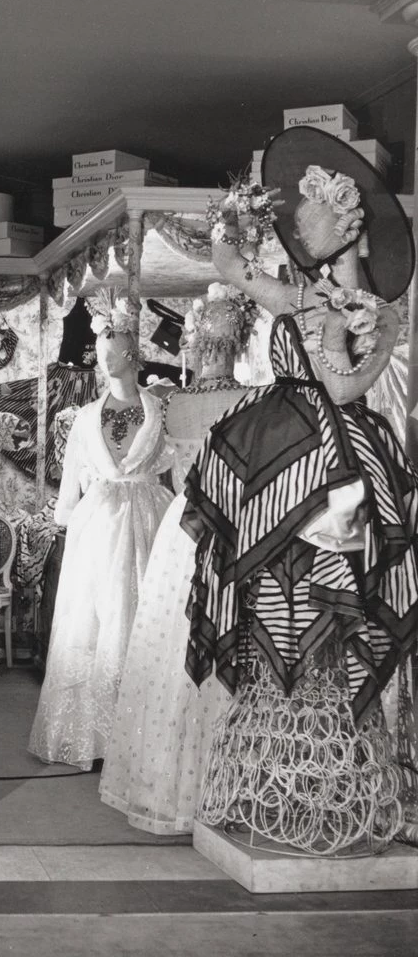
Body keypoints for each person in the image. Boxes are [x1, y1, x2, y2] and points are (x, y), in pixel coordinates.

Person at [184, 126, 418, 852]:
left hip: (325, 458)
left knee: (316, 591)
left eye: (311, 213)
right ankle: (287, 769)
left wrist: (380, 338)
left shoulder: (349, 304)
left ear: (345, 225)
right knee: (274, 590)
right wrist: (235, 216)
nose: (297, 223)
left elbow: (343, 388)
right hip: (279, 445)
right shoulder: (304, 292)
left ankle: (318, 774)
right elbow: (230, 264)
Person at [99, 285, 255, 834]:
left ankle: (179, 781)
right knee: (219, 638)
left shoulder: (171, 402)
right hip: (234, 523)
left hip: (187, 526)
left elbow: (158, 463)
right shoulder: (250, 400)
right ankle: (222, 782)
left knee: (180, 643)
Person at [28, 295, 173, 768]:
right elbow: (72, 475)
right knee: (92, 619)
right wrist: (65, 517)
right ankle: (89, 736)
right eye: (100, 348)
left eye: (113, 348)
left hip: (149, 517)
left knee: (140, 614)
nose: (104, 357)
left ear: (132, 353)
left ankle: (139, 740)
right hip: (97, 525)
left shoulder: (161, 409)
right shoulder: (86, 416)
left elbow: (178, 471)